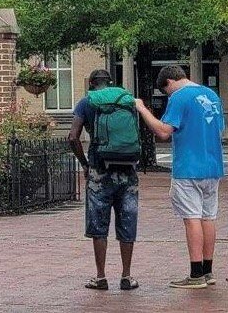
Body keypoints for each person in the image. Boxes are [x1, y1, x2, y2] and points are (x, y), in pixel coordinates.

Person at [135, 65, 225, 289]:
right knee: (208, 217)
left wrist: (142, 109)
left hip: (188, 167)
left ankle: (195, 274)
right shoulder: (211, 95)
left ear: (169, 83)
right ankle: (208, 271)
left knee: (192, 217)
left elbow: (164, 131)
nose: (168, 95)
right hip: (213, 165)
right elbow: (219, 128)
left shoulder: (178, 97)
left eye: (166, 91)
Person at [68, 69, 140, 291]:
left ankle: (100, 277)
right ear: (110, 83)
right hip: (128, 170)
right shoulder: (126, 99)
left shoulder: (86, 102)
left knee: (99, 224)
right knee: (127, 221)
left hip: (99, 171)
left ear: (91, 84)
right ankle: (126, 277)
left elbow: (73, 136)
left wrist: (84, 164)